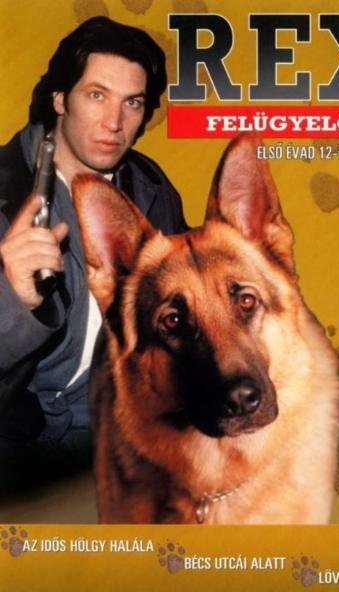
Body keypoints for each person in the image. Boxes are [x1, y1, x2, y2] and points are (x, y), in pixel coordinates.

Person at [0, 16, 188, 493]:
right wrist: (12, 300)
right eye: (97, 95)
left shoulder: (150, 189)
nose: (114, 123)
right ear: (60, 99)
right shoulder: (4, 190)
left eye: (132, 102)